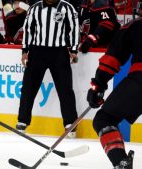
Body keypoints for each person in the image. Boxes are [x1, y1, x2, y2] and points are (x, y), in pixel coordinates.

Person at [16, 0, 79, 138]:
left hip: (59, 52)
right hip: (37, 52)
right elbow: (28, 29)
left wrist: (74, 50)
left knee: (65, 88)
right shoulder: (34, 8)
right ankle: (22, 120)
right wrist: (24, 51)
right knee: (28, 87)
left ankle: (70, 123)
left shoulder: (67, 7)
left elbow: (74, 28)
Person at [86, 17, 142, 169]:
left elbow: (112, 58)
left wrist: (97, 85)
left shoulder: (135, 26)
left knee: (104, 119)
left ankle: (121, 163)